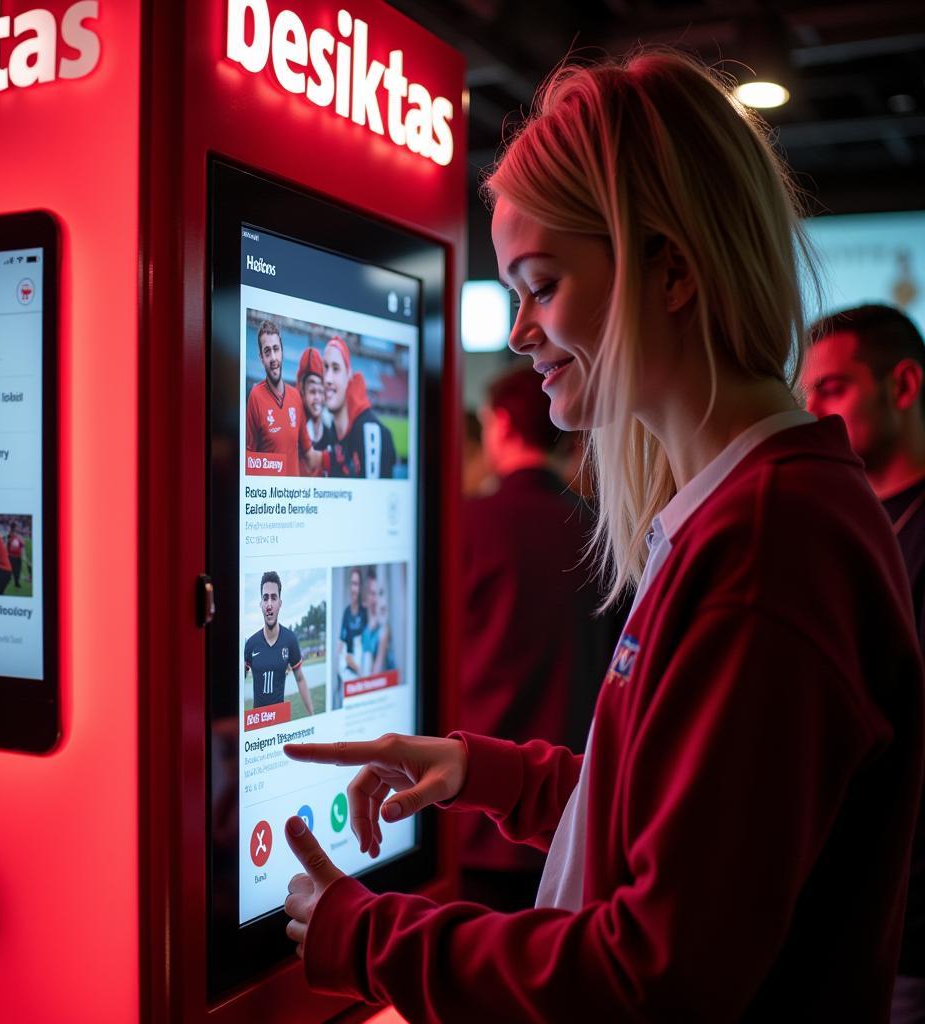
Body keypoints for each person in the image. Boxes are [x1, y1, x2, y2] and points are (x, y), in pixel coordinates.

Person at [277, 50, 925, 1021]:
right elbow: (690, 821)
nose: (522, 330)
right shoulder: (744, 506)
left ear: (669, 268)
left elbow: (657, 974)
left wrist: (364, 930)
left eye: (540, 285)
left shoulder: (765, 544)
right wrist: (486, 770)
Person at [459, 365, 625, 912]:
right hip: (574, 813)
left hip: (474, 809)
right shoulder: (601, 530)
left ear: (501, 424)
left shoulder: (468, 524)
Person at [802, 304, 925, 1021]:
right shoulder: (853, 522)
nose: (814, 412)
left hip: (910, 928)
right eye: (809, 392)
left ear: (903, 386)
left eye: (834, 390)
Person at [245, 319, 320, 476]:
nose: (273, 357)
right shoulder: (255, 396)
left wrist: (332, 458)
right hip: (271, 497)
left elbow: (309, 453)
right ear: (261, 358)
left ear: (282, 351)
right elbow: (248, 459)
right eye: (267, 352)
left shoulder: (295, 397)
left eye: (276, 349)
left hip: (294, 497)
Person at [322, 336, 397, 479]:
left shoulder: (370, 431)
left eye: (336, 369)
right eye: (325, 368)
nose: (327, 379)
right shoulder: (332, 430)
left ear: (348, 377)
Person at [243, 571, 315, 717]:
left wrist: (312, 717)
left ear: (280, 603)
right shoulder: (250, 644)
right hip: (257, 722)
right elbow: (238, 683)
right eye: (265, 598)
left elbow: (300, 679)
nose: (269, 604)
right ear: (261, 604)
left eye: (274, 598)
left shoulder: (290, 639)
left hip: (280, 722)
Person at [335, 567, 368, 708]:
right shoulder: (346, 613)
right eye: (352, 584)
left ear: (361, 588)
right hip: (349, 669)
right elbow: (340, 646)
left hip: (362, 669)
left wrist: (360, 669)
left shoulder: (366, 613)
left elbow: (368, 648)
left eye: (357, 584)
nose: (354, 588)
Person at [297, 346, 335, 454]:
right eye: (312, 391)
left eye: (321, 391)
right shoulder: (294, 432)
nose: (317, 398)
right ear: (302, 390)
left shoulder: (330, 435)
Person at [359, 570, 394, 674]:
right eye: (372, 593)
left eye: (380, 593)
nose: (377, 598)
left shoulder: (384, 630)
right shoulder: (365, 632)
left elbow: (375, 673)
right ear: (364, 601)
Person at [7, 522, 25, 590]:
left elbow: (22, 544)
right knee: (12, 570)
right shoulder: (10, 535)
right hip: (12, 556)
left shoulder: (18, 536)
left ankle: (16, 583)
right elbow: (8, 544)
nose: (18, 528)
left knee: (17, 571)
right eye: (17, 526)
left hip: (17, 556)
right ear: (14, 527)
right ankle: (14, 583)